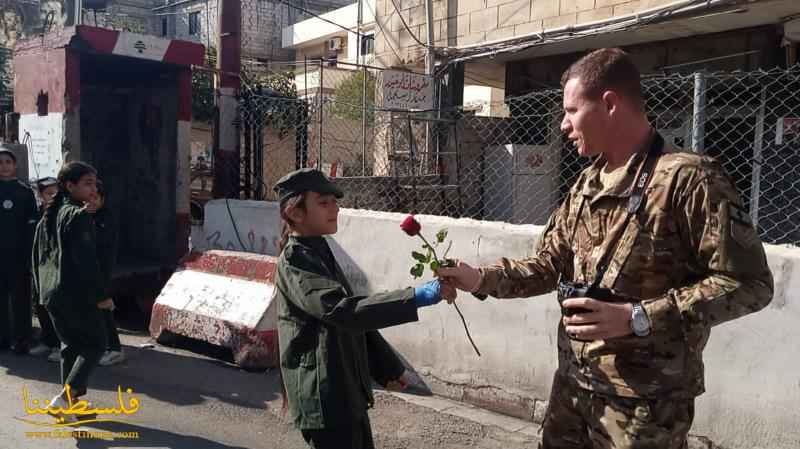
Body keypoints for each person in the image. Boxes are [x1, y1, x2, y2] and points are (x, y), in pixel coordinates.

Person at [437, 48, 774, 449]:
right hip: (573, 389)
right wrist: (480, 278)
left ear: (610, 104)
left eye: (571, 111)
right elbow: (548, 264)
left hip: (644, 406)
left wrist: (639, 318)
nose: (563, 124)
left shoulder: (688, 178)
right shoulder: (586, 184)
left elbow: (750, 284)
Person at [272, 168, 453, 449]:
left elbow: (356, 322)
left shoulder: (318, 249)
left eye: (334, 200)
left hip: (344, 389)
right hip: (324, 395)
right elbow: (343, 311)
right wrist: (416, 296)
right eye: (323, 202)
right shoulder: (296, 260)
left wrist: (388, 369)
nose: (335, 208)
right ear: (296, 213)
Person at [31, 161, 112, 422]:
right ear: (69, 185)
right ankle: (64, 398)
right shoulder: (77, 217)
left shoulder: (50, 214)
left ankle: (73, 405)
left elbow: (36, 257)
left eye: (94, 184)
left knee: (71, 347)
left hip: (51, 293)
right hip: (74, 295)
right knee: (96, 343)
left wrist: (40, 291)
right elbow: (86, 262)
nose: (93, 189)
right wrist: (101, 296)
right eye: (87, 183)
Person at [0, 148, 37, 354]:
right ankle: (3, 337)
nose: (4, 166)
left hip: (18, 254)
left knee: (20, 298)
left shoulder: (25, 192)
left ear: (15, 165)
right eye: (0, 162)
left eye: (8, 162)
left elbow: (31, 225)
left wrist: (29, 254)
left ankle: (22, 338)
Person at [86, 180, 124, 366]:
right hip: (86, 271)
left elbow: (102, 248)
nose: (91, 202)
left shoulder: (105, 219)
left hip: (101, 271)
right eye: (87, 198)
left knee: (102, 308)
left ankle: (114, 348)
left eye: (95, 198)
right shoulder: (82, 216)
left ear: (102, 199)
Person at [28, 177, 63, 362]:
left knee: (55, 308)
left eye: (56, 193)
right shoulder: (36, 213)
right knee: (40, 305)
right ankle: (47, 341)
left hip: (55, 268)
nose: (53, 197)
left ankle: (60, 345)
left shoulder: (63, 214)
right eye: (49, 193)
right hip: (38, 267)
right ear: (40, 195)